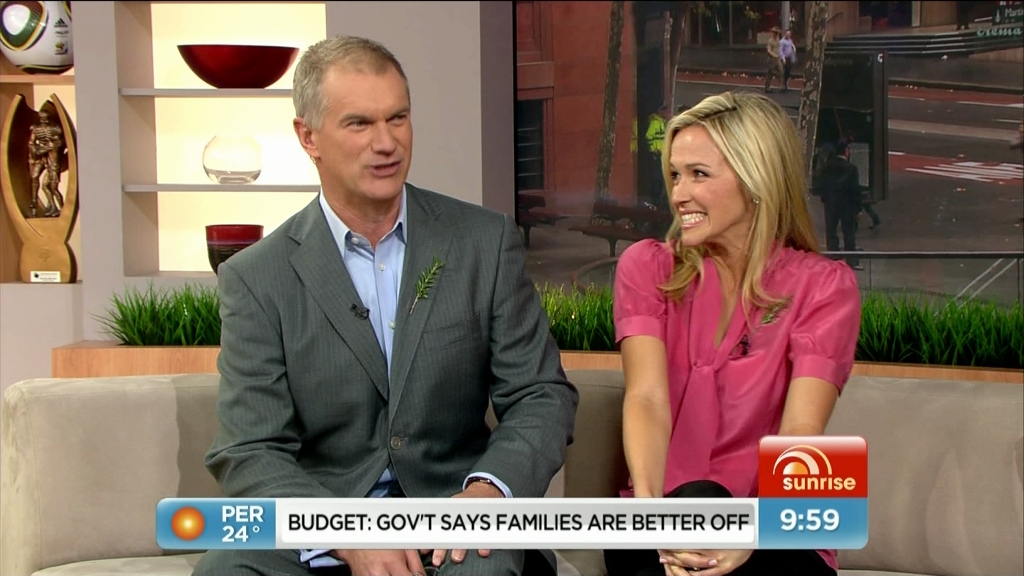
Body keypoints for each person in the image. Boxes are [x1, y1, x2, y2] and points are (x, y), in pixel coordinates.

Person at [191, 35, 578, 576]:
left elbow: (541, 394)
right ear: (308, 137)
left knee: (483, 566)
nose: (387, 143)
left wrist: (489, 492)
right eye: (360, 124)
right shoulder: (258, 277)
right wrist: (343, 533)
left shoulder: (482, 243)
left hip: (452, 515)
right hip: (325, 522)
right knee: (226, 569)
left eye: (398, 118)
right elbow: (250, 448)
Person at [603, 91, 861, 576]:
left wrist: (751, 535)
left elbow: (801, 432)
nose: (678, 194)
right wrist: (649, 514)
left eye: (699, 174)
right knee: (695, 506)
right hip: (663, 513)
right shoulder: (647, 268)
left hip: (773, 527)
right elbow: (647, 398)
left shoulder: (824, 287)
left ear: (756, 179)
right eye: (675, 175)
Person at [814, 139, 864, 270]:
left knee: (831, 231)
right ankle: (851, 260)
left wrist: (825, 199)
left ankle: (833, 257)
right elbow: (855, 190)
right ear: (846, 151)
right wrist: (858, 208)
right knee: (849, 233)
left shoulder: (828, 167)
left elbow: (822, 184)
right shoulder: (851, 168)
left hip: (831, 203)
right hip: (847, 205)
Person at [764, 27, 784, 93]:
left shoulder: (779, 40)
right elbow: (768, 50)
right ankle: (767, 86)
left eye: (777, 33)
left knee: (781, 71)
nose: (776, 34)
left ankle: (781, 86)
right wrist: (773, 55)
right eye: (775, 33)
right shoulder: (770, 41)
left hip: (778, 58)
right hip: (772, 59)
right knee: (771, 73)